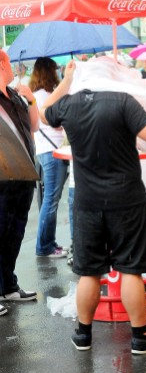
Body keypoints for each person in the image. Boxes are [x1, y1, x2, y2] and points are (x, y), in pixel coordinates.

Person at [40, 59, 146, 354]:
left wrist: (66, 80)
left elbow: (43, 113)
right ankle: (141, 337)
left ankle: (83, 334)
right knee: (130, 269)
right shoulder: (122, 101)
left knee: (89, 271)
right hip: (126, 198)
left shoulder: (69, 104)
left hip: (87, 200)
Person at [0, 50, 39, 312]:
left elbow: (34, 127)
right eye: (7, 62)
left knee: (14, 234)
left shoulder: (15, 96)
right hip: (2, 178)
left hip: (23, 177)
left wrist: (32, 100)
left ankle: (8, 286)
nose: (13, 67)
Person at [29, 57, 69, 258]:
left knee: (48, 199)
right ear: (49, 72)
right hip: (53, 151)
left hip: (44, 151)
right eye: (54, 70)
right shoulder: (46, 95)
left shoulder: (36, 95)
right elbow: (56, 123)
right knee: (51, 200)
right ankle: (45, 246)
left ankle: (48, 243)